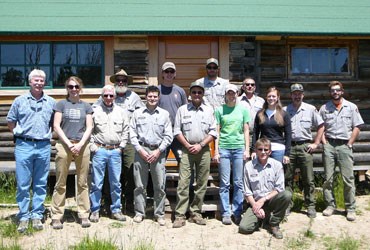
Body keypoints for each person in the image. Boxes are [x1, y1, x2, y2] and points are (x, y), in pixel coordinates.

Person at [7, 69, 56, 233]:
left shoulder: (51, 102)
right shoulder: (19, 100)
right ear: (30, 82)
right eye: (36, 80)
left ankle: (37, 214)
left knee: (40, 183)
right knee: (23, 183)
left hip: (43, 146)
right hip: (24, 145)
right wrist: (18, 135)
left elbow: (53, 123)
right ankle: (23, 216)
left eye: (42, 80)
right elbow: (10, 121)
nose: (39, 83)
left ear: (45, 82)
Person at [96, 69, 144, 212]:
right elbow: (94, 112)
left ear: (127, 82)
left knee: (129, 171)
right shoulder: (107, 95)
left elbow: (141, 115)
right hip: (109, 142)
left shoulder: (134, 97)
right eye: (118, 80)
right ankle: (107, 202)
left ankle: (128, 201)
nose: (121, 82)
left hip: (129, 140)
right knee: (108, 173)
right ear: (115, 82)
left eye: (124, 80)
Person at [172, 81, 217, 228]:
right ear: (190, 95)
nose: (197, 95)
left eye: (199, 92)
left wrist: (201, 145)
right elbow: (177, 131)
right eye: (194, 92)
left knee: (202, 182)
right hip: (186, 149)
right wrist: (188, 145)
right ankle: (180, 215)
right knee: (184, 182)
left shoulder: (209, 110)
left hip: (203, 150)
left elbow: (213, 131)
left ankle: (196, 212)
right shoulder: (182, 110)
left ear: (203, 94)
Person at [51, 76, 93, 229]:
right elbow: (56, 126)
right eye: (70, 87)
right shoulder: (61, 104)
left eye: (76, 86)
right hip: (64, 144)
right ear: (67, 88)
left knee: (83, 182)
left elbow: (89, 127)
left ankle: (83, 214)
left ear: (80, 88)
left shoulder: (86, 106)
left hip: (82, 145)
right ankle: (56, 215)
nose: (73, 89)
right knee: (61, 181)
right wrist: (69, 144)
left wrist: (81, 144)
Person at [319, 81, 364, 221]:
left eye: (338, 90)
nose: (335, 92)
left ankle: (350, 208)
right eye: (333, 90)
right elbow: (321, 127)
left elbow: (357, 126)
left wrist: (350, 143)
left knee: (348, 178)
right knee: (328, 178)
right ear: (330, 92)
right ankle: (330, 205)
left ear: (342, 91)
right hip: (330, 146)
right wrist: (325, 144)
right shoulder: (324, 108)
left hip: (345, 146)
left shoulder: (351, 107)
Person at [129, 85, 173, 226]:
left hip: (158, 152)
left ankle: (159, 214)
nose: (152, 99)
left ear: (158, 98)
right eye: (150, 96)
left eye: (155, 96)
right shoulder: (137, 113)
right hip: (140, 150)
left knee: (159, 185)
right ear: (145, 97)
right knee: (140, 185)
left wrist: (158, 151)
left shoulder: (164, 114)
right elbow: (132, 133)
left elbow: (168, 136)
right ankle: (139, 213)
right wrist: (140, 150)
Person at [89, 85, 129, 223]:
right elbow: (89, 130)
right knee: (97, 182)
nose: (108, 98)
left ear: (115, 97)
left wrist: (121, 147)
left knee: (116, 183)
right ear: (102, 96)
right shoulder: (95, 111)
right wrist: (93, 147)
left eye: (111, 95)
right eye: (105, 95)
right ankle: (94, 210)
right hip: (99, 150)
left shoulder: (121, 112)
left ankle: (116, 210)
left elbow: (126, 130)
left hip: (115, 151)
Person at [284, 83, 324, 218]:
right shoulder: (285, 110)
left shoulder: (310, 109)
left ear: (303, 95)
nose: (297, 96)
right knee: (287, 178)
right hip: (289, 147)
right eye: (294, 93)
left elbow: (321, 125)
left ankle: (310, 206)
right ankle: (287, 205)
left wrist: (316, 143)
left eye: (299, 93)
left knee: (308, 179)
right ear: (291, 95)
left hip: (305, 147)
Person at [239, 138, 291, 239]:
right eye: (260, 149)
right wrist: (255, 206)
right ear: (256, 150)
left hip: (271, 200)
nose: (263, 152)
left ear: (270, 151)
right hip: (256, 202)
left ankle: (274, 224)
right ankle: (263, 219)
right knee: (244, 228)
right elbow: (247, 191)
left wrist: (263, 199)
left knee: (287, 194)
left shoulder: (277, 165)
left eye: (266, 150)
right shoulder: (248, 166)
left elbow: (279, 188)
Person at [214, 84, 250, 225]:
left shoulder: (243, 110)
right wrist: (216, 151)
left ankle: (237, 212)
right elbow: (217, 131)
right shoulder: (219, 110)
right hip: (224, 148)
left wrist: (247, 149)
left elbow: (246, 130)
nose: (231, 95)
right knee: (224, 183)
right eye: (229, 93)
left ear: (237, 94)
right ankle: (226, 213)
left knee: (238, 182)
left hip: (239, 148)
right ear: (225, 95)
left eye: (233, 93)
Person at [252, 86, 291, 164]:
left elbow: (288, 134)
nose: (271, 98)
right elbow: (255, 132)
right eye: (269, 96)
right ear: (266, 97)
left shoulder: (284, 114)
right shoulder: (260, 113)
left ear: (278, 97)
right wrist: (253, 150)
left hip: (278, 149)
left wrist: (287, 154)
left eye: (273, 96)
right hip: (263, 149)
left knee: (276, 173)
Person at [158, 62, 188, 164]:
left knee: (183, 162)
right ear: (162, 73)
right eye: (167, 71)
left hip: (177, 132)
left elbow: (185, 111)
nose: (169, 74)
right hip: (162, 132)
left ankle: (185, 181)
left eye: (172, 71)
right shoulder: (157, 91)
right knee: (160, 163)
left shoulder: (180, 91)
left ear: (175, 74)